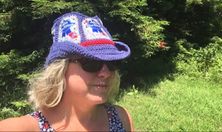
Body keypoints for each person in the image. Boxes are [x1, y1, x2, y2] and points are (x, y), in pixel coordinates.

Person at [0, 12, 134, 131]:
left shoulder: (122, 117)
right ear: (60, 69)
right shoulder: (20, 128)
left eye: (112, 63)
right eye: (91, 63)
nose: (106, 73)